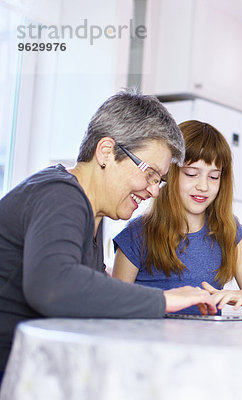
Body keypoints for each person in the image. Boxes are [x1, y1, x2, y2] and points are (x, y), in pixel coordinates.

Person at [0, 91, 217, 378]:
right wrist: (165, 300)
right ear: (106, 152)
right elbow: (53, 286)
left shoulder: (92, 213)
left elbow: (89, 293)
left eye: (159, 181)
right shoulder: (59, 195)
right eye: (150, 173)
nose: (153, 190)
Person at [112, 120, 242, 314]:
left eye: (213, 177)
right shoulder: (137, 234)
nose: (203, 186)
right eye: (192, 174)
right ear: (169, 174)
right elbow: (115, 304)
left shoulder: (229, 231)